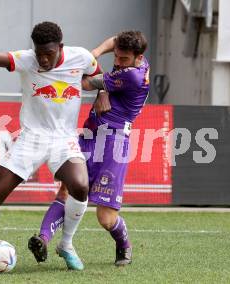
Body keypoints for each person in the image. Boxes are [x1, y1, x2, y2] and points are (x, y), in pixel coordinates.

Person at [0, 21, 101, 271]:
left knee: (81, 186)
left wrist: (103, 94)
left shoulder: (81, 57)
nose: (43, 60)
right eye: (39, 53)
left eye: (48, 54)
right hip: (31, 139)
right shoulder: (27, 60)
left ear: (60, 47)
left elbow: (97, 75)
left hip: (64, 139)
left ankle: (66, 245)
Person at [28, 30, 150, 266]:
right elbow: (114, 40)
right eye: (116, 56)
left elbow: (85, 81)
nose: (117, 61)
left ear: (138, 58)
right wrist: (94, 58)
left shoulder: (134, 76)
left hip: (113, 145)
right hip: (89, 136)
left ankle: (124, 243)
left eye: (123, 59)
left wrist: (91, 72)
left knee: (105, 217)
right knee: (66, 189)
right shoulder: (134, 57)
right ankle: (42, 239)